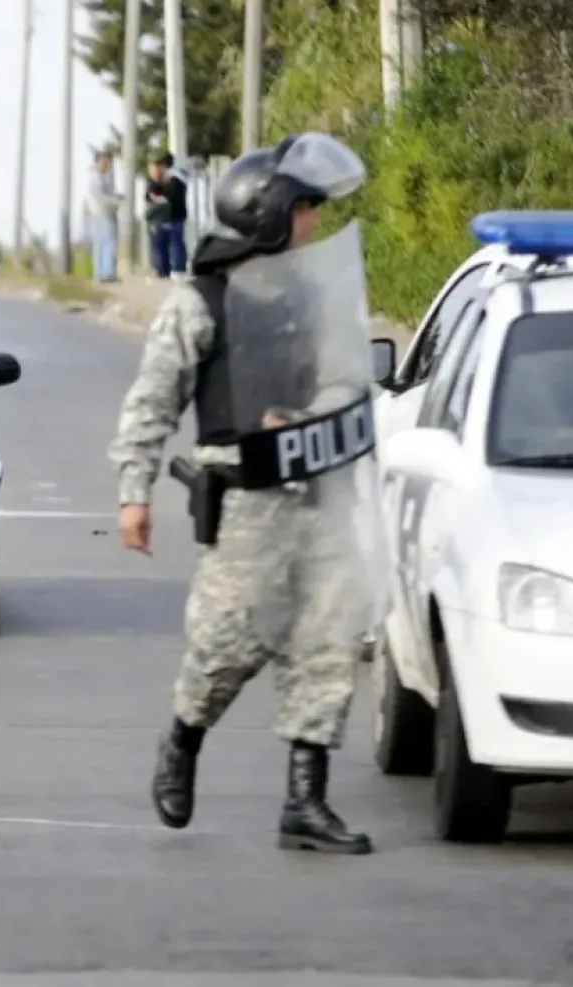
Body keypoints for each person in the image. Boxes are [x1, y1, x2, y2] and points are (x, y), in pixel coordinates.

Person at [107, 133, 384, 855]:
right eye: (304, 210)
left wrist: (316, 409)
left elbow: (346, 377)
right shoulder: (200, 301)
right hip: (246, 496)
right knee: (226, 645)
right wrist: (133, 492)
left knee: (327, 640)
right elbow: (151, 401)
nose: (315, 223)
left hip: (320, 488)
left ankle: (305, 799)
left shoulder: (316, 295)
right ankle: (182, 741)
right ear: (267, 215)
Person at [145, 153, 188, 278]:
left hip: (174, 215)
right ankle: (169, 269)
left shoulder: (174, 179)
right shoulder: (173, 178)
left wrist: (160, 196)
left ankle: (177, 268)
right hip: (171, 215)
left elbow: (171, 196)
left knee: (174, 243)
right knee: (169, 243)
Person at [85, 151, 121, 283]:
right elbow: (101, 197)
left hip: (101, 213)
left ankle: (102, 273)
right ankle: (106, 273)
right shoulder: (95, 178)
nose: (106, 165)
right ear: (98, 161)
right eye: (104, 161)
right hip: (102, 213)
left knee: (102, 244)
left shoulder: (100, 176)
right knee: (107, 243)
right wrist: (116, 200)